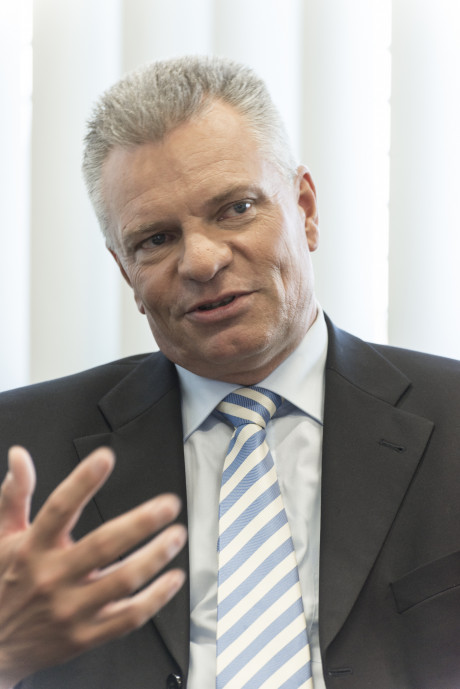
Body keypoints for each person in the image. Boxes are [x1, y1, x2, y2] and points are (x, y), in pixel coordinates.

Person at [0, 55, 458, 689]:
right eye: (156, 239)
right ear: (125, 270)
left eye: (236, 208)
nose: (202, 260)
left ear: (306, 209)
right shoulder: (18, 453)